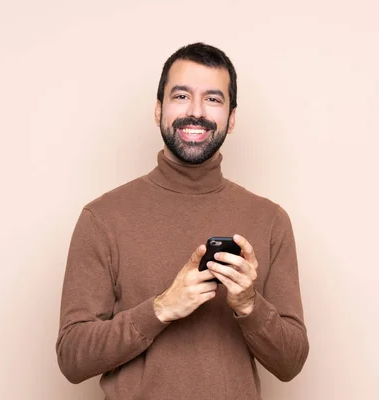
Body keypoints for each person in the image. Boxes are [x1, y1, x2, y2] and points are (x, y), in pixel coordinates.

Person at [56, 42, 309, 399]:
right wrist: (161, 308)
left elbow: (292, 362)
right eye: (181, 96)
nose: (196, 112)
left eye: (213, 99)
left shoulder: (270, 220)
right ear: (158, 110)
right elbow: (72, 358)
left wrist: (250, 305)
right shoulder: (102, 218)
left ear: (231, 118)